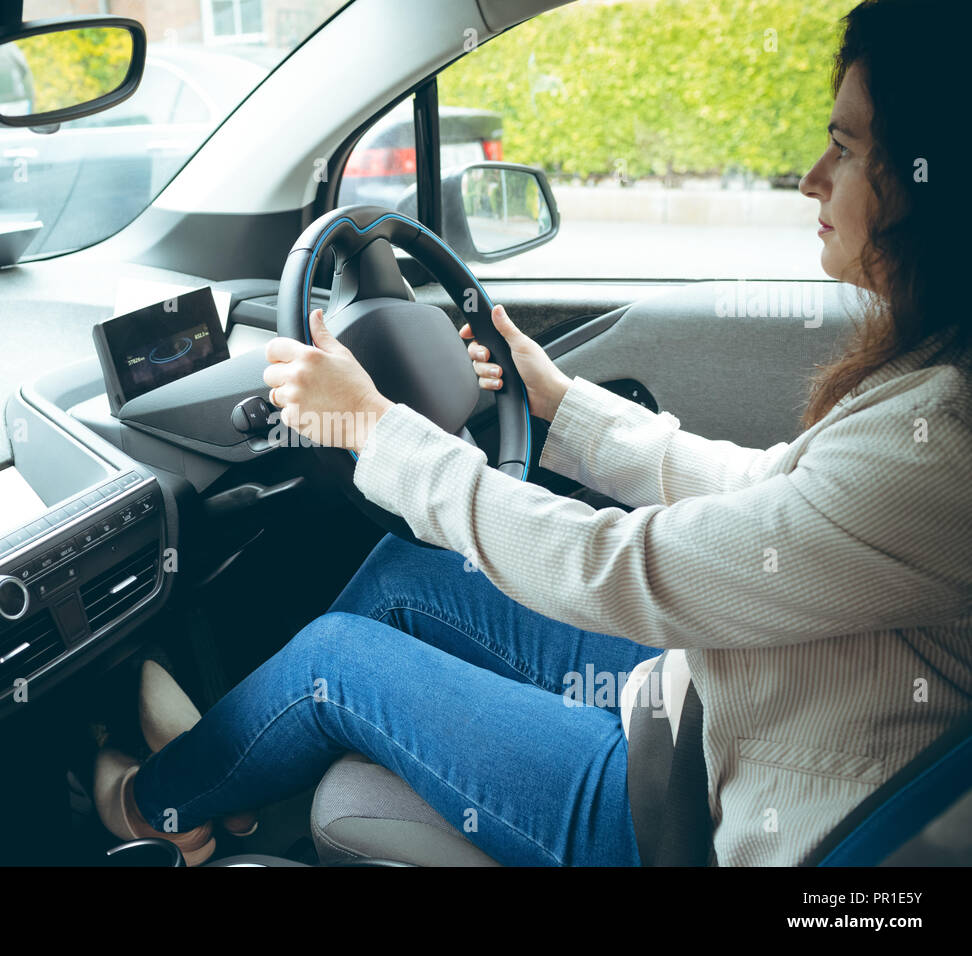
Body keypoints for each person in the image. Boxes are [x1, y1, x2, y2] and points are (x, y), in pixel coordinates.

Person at [94, 0, 970, 866]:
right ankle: (224, 774)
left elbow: (623, 570)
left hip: (699, 809)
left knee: (334, 660)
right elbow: (766, 495)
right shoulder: (934, 380)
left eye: (847, 150)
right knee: (406, 574)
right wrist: (560, 404)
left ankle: (149, 805)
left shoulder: (944, 441)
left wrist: (374, 428)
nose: (814, 177)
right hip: (724, 704)